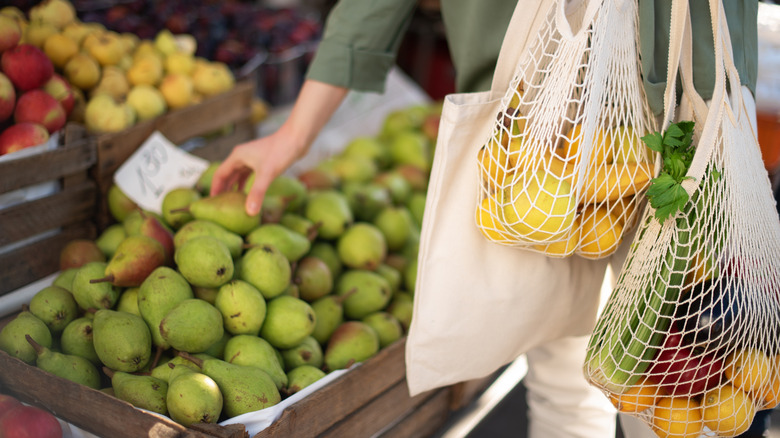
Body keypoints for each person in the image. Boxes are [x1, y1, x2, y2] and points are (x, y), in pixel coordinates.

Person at [210, 1, 760, 437]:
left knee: (679, 394)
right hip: (538, 129)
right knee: (568, 383)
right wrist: (294, 134)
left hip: (689, 113)